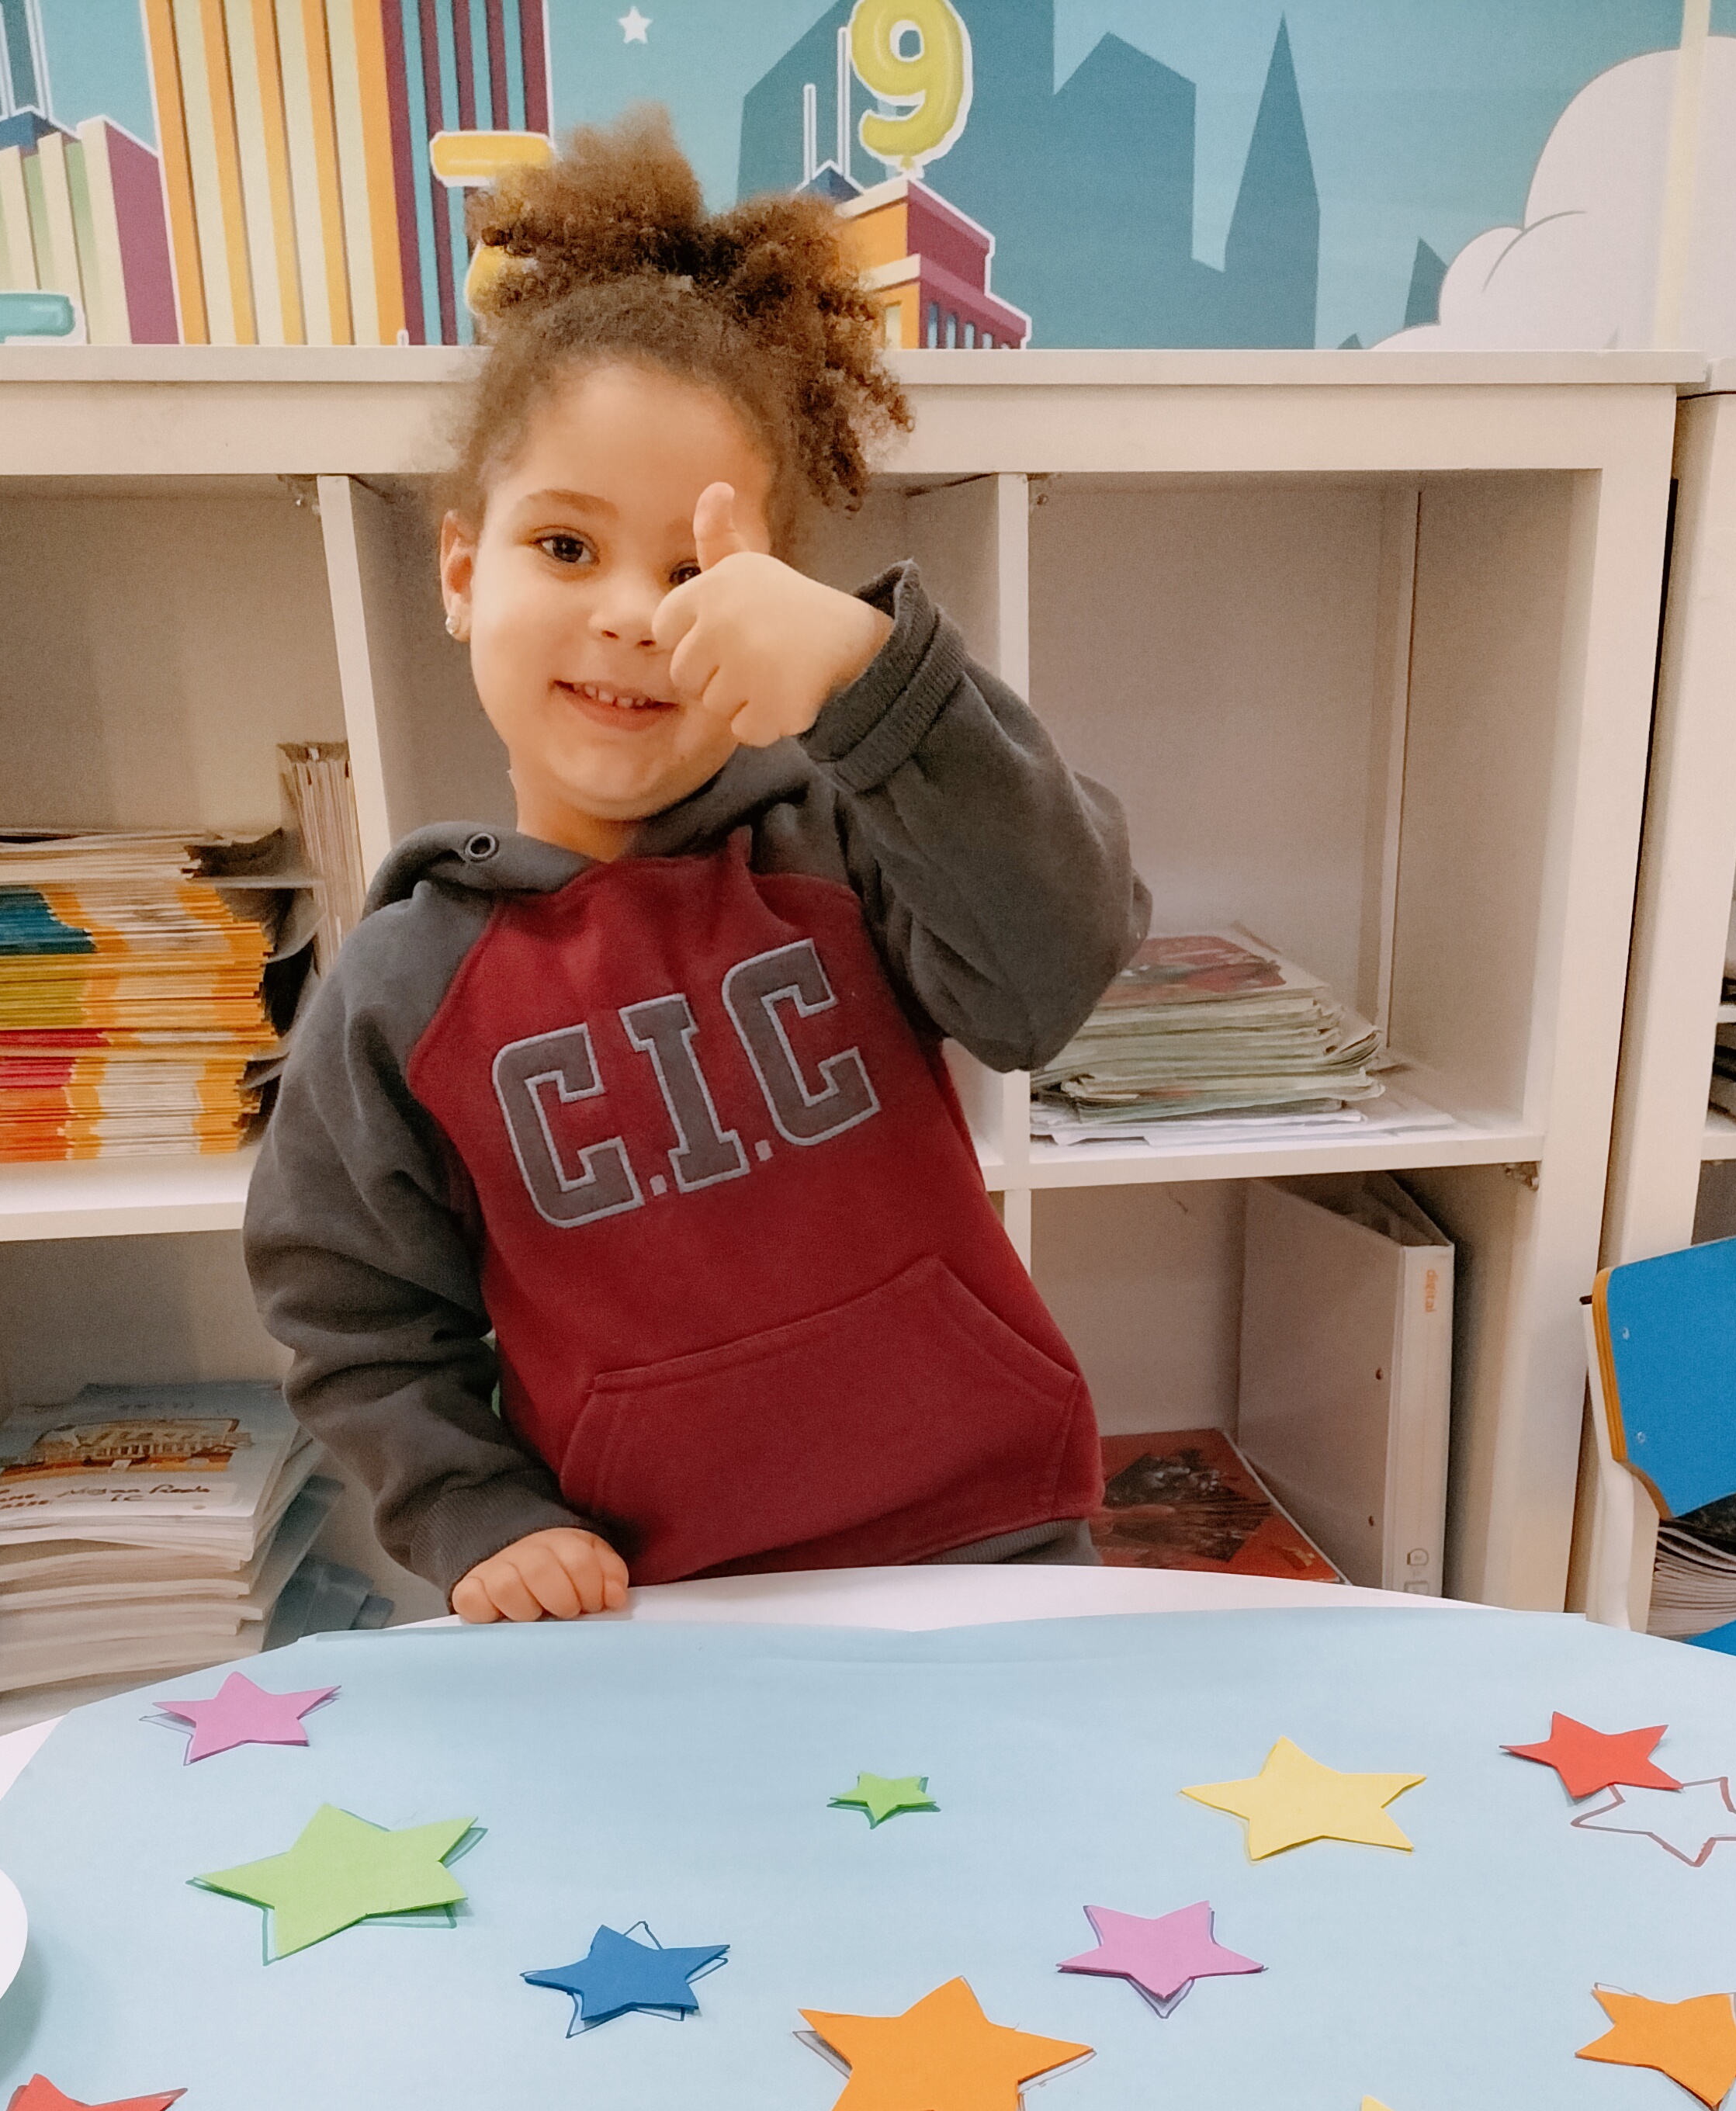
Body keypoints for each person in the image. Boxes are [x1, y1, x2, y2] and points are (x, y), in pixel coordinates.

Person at [244, 108, 1147, 1624]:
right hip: (646, 1610)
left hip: (986, 1549)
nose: (630, 614)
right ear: (461, 570)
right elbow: (356, 1324)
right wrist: (480, 1511)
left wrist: (875, 682)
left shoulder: (846, 841)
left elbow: (1053, 965)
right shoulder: (399, 994)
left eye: (693, 568)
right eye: (566, 547)